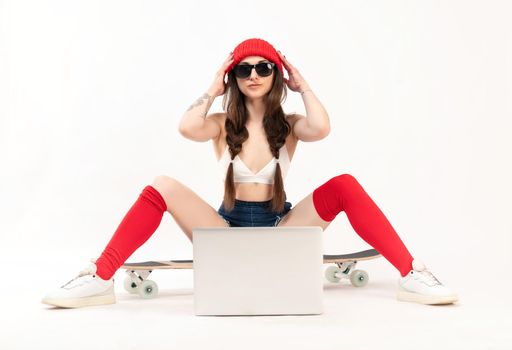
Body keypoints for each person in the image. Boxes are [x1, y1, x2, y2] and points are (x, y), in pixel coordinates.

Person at [42, 38, 458, 308]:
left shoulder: (291, 123)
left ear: (276, 75)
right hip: (226, 230)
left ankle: (411, 273)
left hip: (281, 228)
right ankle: (100, 277)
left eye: (264, 68)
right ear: (233, 77)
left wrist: (303, 84)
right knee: (161, 186)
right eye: (244, 69)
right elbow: (186, 127)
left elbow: (323, 127)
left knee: (344, 185)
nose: (254, 75)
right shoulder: (222, 122)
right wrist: (211, 88)